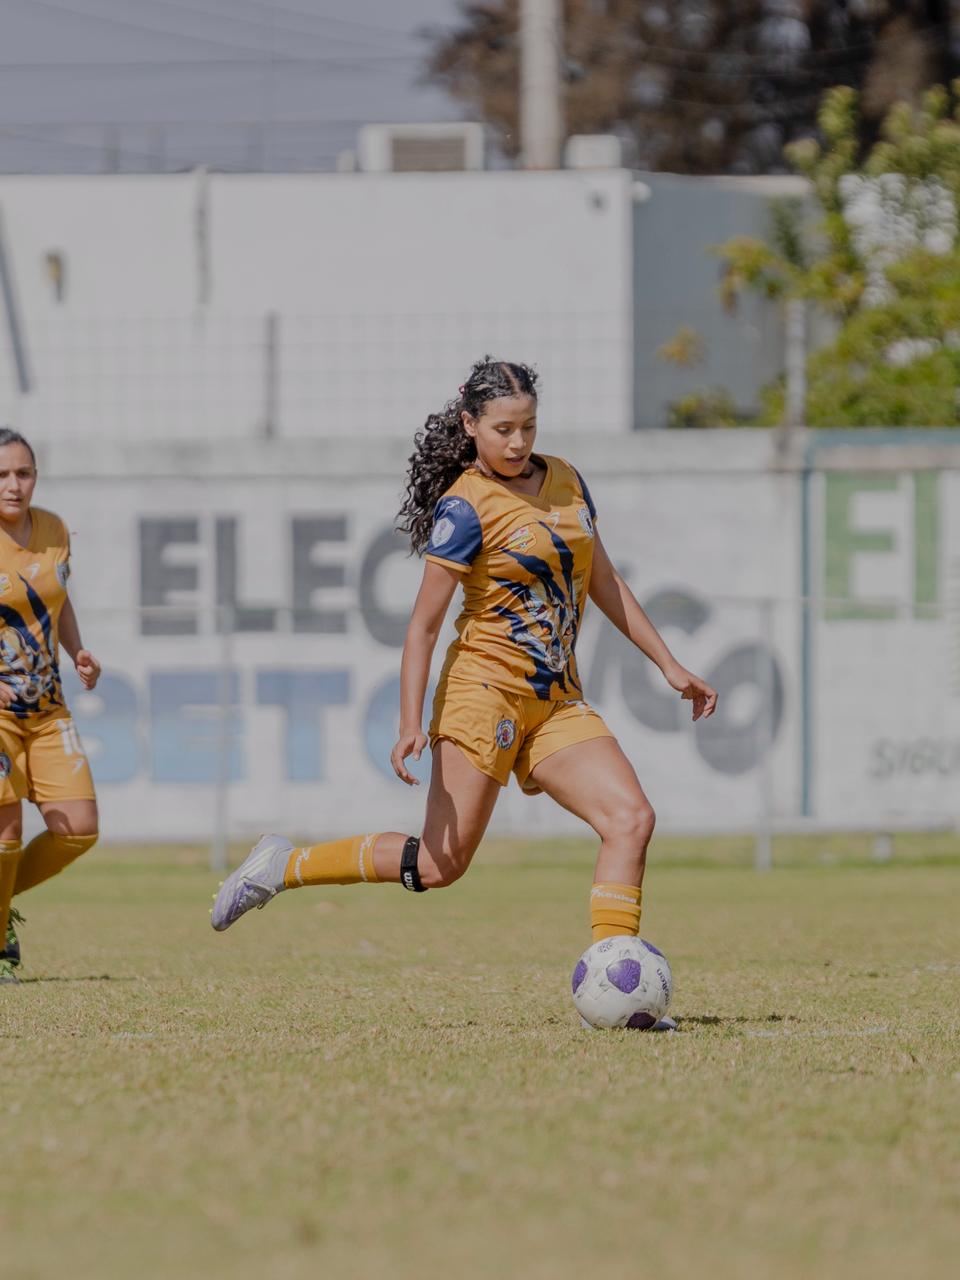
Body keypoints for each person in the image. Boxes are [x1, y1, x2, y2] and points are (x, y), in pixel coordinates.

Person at [211, 357, 716, 947]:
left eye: (528, 426)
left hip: (555, 700)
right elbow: (423, 627)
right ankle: (281, 865)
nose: (519, 441)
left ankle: (619, 986)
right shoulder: (466, 506)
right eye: (503, 429)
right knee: (437, 866)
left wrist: (669, 664)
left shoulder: (569, 480)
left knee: (631, 821)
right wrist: (408, 722)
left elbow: (603, 581)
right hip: (483, 697)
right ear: (470, 424)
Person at [0, 428, 101, 983]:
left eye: (23, 473)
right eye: (2, 475)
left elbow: (56, 602)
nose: (14, 485)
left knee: (78, 828)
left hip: (47, 711)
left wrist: (79, 650)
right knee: (5, 833)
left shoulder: (56, 529)